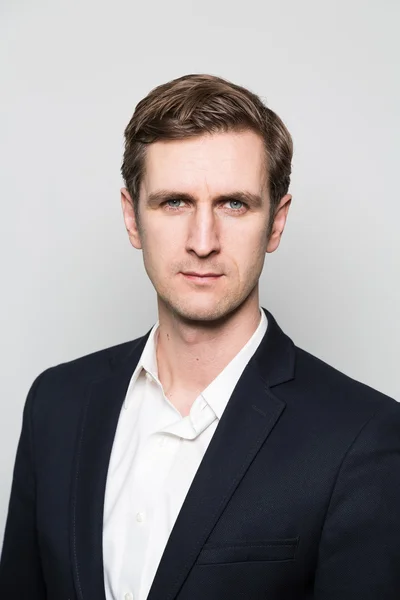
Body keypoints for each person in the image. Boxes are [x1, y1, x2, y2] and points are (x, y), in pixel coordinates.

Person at [1, 73, 399, 600]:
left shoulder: (364, 438)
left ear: (276, 223)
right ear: (132, 217)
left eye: (234, 204)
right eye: (174, 203)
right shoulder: (56, 403)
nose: (203, 241)